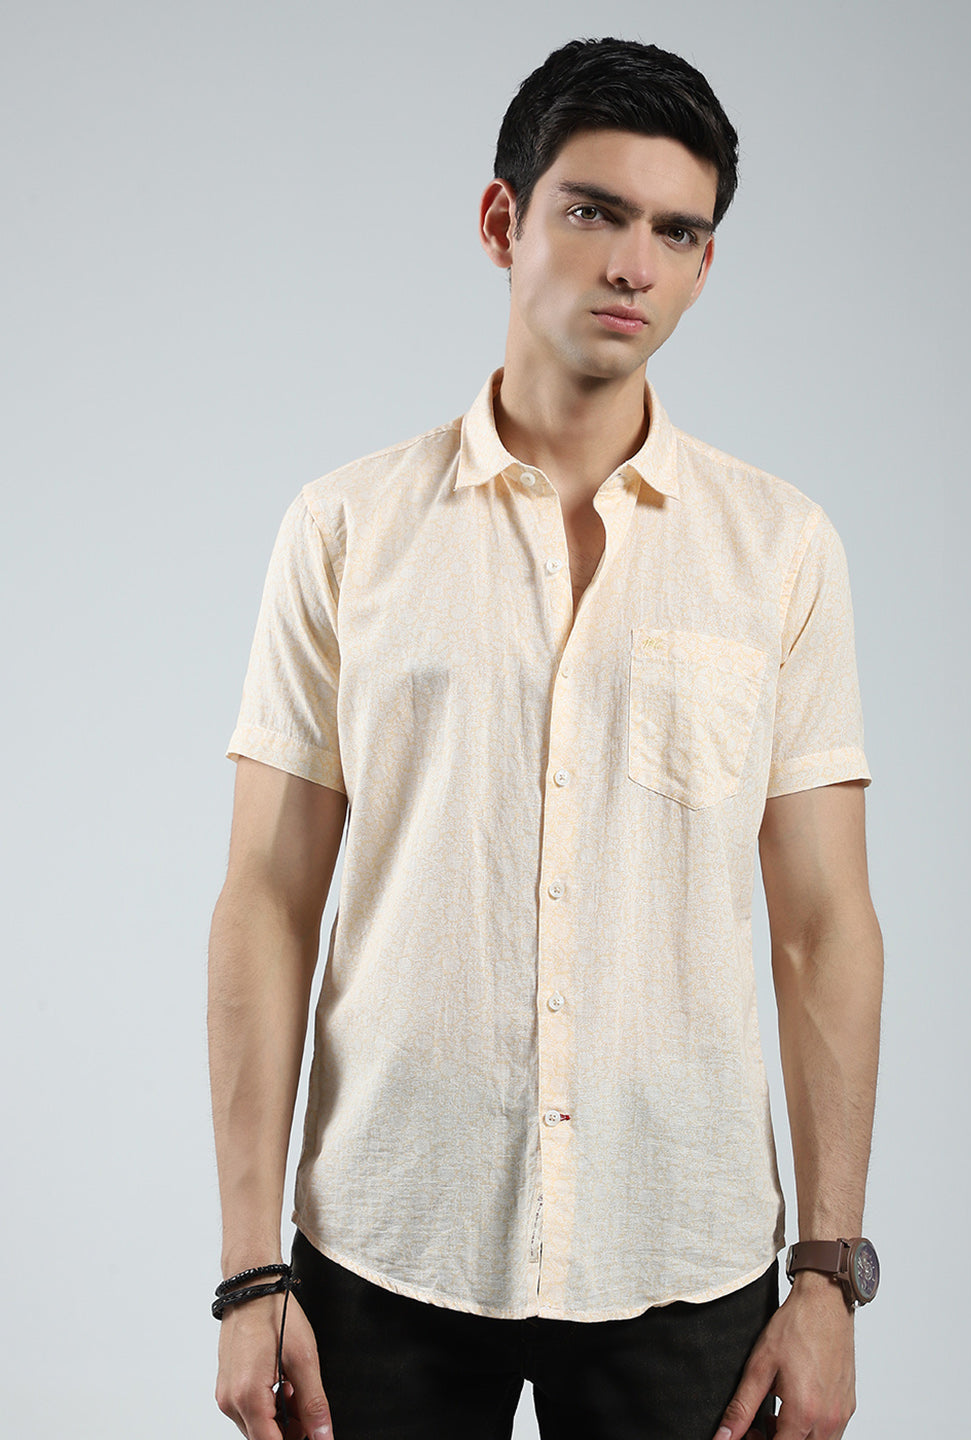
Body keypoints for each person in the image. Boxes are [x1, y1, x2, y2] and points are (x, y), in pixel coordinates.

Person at [208, 35, 884, 1440]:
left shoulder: (781, 550)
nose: (634, 264)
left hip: (683, 1253)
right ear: (502, 219)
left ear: (705, 263)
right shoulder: (345, 532)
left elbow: (823, 924)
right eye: (594, 211)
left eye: (677, 231)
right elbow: (267, 901)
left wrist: (827, 1273)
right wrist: (248, 1272)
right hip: (387, 1246)